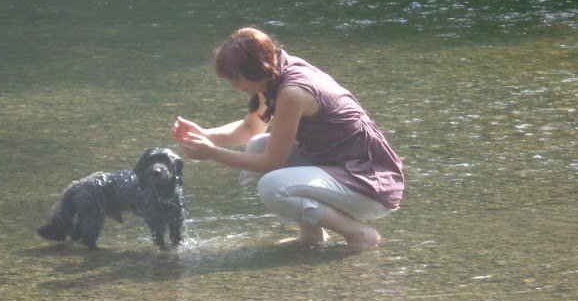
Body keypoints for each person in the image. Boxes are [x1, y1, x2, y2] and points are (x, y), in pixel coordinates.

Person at [172, 27, 404, 253]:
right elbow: (251, 128)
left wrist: (212, 153)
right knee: (257, 145)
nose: (235, 86)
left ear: (255, 70)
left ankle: (359, 234)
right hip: (340, 169)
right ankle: (312, 236)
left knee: (273, 186)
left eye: (236, 78)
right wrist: (205, 134)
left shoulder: (292, 92)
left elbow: (271, 163)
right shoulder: (273, 73)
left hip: (369, 186)